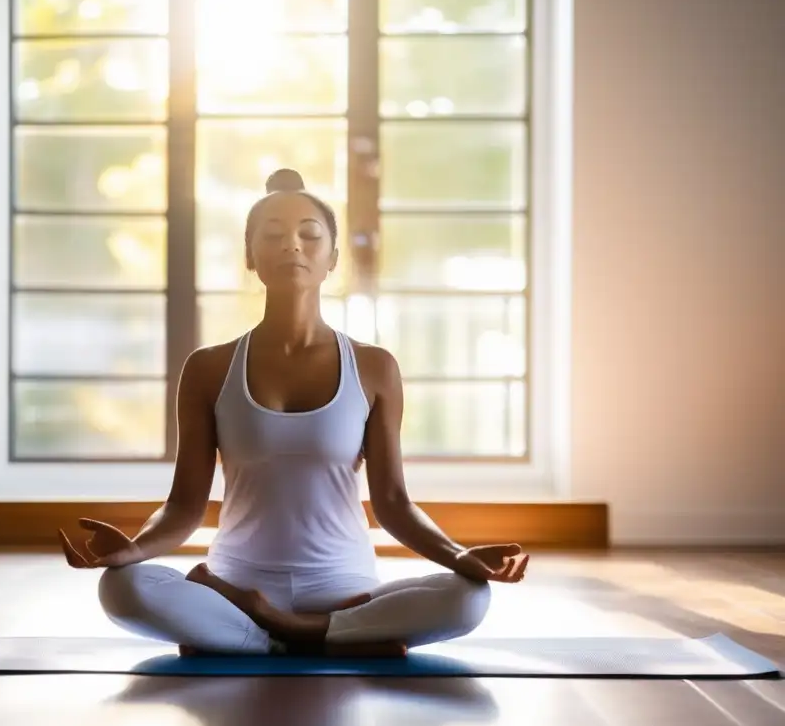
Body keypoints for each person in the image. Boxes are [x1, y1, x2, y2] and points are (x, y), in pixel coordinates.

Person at [59, 168, 529, 657]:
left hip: (344, 588)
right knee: (121, 588)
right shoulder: (207, 368)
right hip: (235, 581)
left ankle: (267, 631)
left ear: (332, 258)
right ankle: (321, 635)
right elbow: (184, 507)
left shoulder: (374, 367)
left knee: (468, 598)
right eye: (274, 235)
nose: (293, 246)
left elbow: (392, 502)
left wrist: (460, 557)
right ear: (251, 256)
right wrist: (132, 551)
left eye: (310, 234)